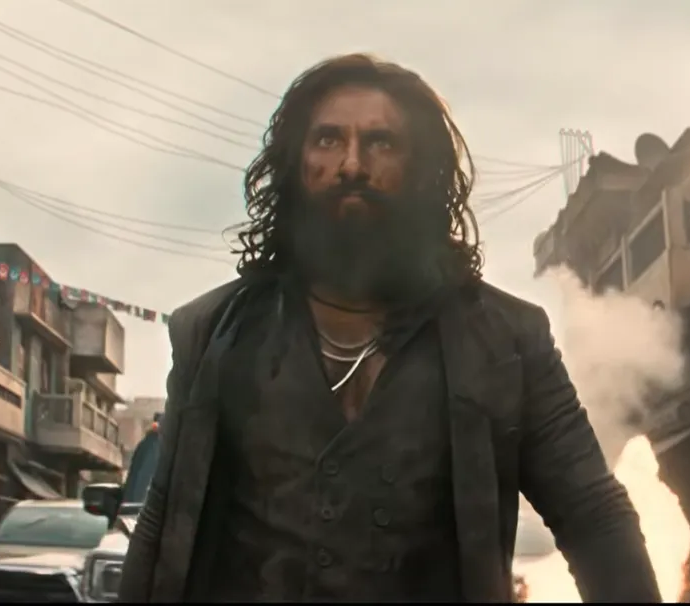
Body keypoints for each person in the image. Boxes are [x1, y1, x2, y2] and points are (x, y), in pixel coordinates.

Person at [118, 53, 660, 603]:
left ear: (420, 172)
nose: (352, 164)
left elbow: (593, 516)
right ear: (295, 164)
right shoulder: (212, 334)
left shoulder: (507, 342)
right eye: (328, 140)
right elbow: (163, 524)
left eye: (380, 143)